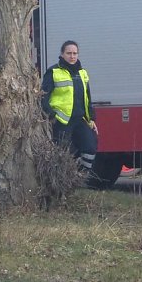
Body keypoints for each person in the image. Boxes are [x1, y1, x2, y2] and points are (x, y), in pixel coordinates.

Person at [41, 40, 98, 180]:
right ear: (62, 54)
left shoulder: (82, 73)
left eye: (75, 53)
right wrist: (51, 115)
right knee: (62, 153)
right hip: (61, 120)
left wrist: (91, 119)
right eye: (69, 53)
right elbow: (43, 97)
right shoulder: (53, 72)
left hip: (80, 119)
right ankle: (60, 181)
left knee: (90, 147)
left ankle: (80, 177)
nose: (72, 56)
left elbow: (87, 97)